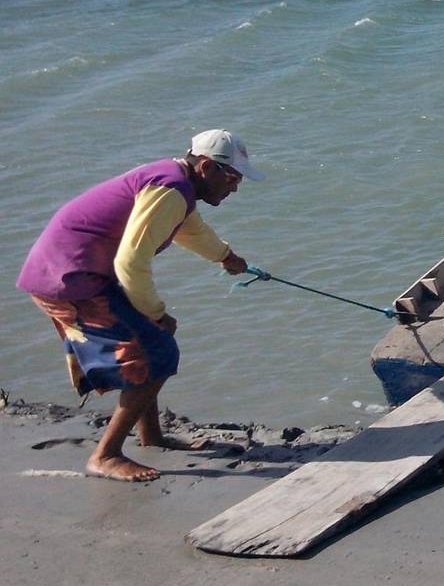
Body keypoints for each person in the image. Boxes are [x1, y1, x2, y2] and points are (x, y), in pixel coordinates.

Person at [16, 129, 264, 482]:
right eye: (233, 178)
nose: (236, 187)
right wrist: (156, 313)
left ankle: (152, 436)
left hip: (78, 272)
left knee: (154, 342)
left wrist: (227, 257)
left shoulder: (178, 185)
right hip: (69, 280)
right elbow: (130, 263)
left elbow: (191, 231)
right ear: (207, 167)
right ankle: (106, 454)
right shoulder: (170, 191)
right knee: (159, 349)